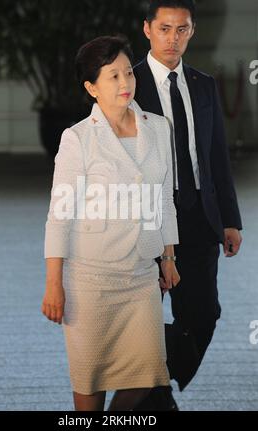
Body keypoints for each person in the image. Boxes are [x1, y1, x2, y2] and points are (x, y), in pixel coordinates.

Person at [41, 35, 180, 411]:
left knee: (150, 373)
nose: (124, 83)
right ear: (91, 88)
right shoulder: (78, 140)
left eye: (127, 73)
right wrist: (54, 285)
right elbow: (60, 214)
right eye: (112, 76)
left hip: (141, 277)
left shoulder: (159, 128)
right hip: (90, 281)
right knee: (90, 380)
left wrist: (169, 256)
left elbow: (164, 198)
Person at [133, 0, 243, 410]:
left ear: (192, 31)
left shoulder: (202, 83)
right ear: (147, 29)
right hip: (146, 220)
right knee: (141, 317)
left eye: (181, 29)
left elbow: (216, 157)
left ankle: (150, 387)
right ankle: (151, 397)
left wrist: (230, 220)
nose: (172, 38)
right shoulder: (128, 83)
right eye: (164, 28)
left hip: (198, 217)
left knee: (204, 315)